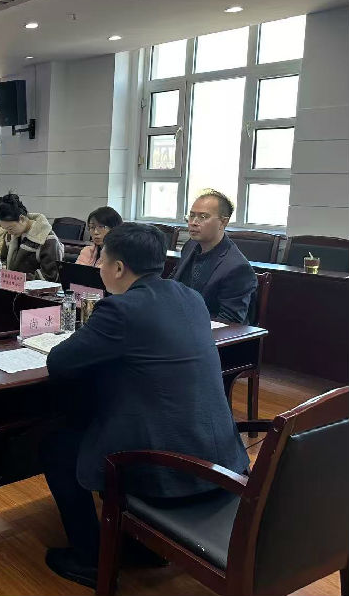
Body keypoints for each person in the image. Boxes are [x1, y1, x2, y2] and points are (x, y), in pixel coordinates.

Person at [40, 223, 250, 588]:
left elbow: (59, 362)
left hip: (171, 471)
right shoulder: (190, 298)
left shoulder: (121, 309)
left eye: (102, 261)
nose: (100, 268)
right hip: (221, 459)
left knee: (56, 445)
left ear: (119, 267)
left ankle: (90, 559)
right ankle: (139, 543)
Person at [172, 189, 257, 324]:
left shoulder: (237, 268)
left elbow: (230, 322)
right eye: (191, 215)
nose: (193, 222)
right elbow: (172, 285)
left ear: (223, 222)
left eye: (203, 217)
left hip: (208, 331)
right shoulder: (190, 246)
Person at [0, 193, 62, 280]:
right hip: (12, 285)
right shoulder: (10, 235)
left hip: (35, 288)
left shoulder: (46, 239)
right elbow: (3, 259)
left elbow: (50, 276)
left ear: (22, 219)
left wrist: (19, 278)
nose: (9, 232)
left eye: (10, 228)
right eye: (5, 229)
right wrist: (2, 268)